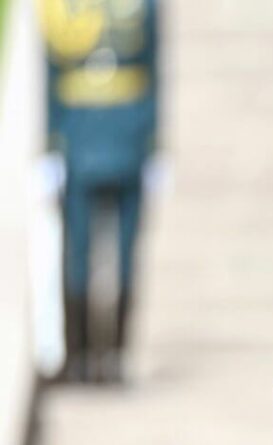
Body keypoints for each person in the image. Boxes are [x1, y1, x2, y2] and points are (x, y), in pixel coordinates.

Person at [41, 0, 160, 383]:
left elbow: (153, 69)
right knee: (77, 252)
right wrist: (52, 142)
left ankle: (115, 355)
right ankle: (79, 353)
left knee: (125, 252)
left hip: (127, 135)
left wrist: (154, 142)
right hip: (79, 136)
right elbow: (52, 74)